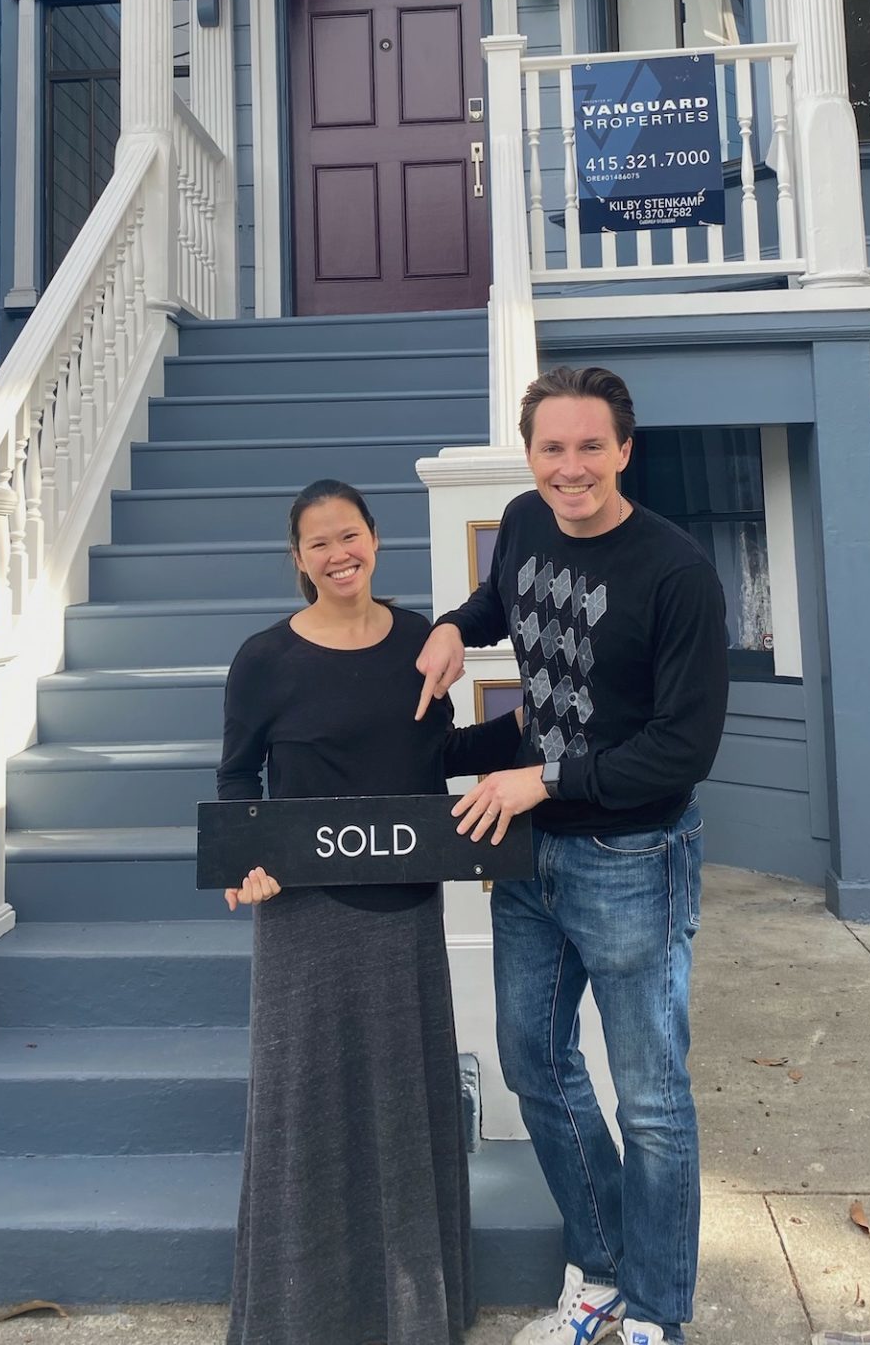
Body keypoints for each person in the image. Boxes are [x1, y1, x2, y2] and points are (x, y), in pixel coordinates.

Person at [415, 367, 729, 1345]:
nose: (571, 466)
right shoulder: (523, 520)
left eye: (591, 445)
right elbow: (497, 601)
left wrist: (541, 780)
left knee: (652, 1103)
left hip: (632, 855)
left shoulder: (675, 571)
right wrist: (450, 627)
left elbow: (683, 747)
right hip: (531, 856)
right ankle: (600, 1272)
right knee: (534, 1064)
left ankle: (657, 1313)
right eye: (551, 447)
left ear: (623, 450)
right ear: (529, 455)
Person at [217, 478, 524, 1345]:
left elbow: (432, 755)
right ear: (297, 558)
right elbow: (237, 777)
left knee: (401, 1102)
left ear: (375, 540)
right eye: (318, 542)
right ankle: (299, 1310)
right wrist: (246, 861)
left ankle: (411, 1311)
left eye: (348, 535)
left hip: (404, 911)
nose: (337, 553)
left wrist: (525, 725)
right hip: (302, 918)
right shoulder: (263, 659)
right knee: (306, 1106)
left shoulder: (421, 642)